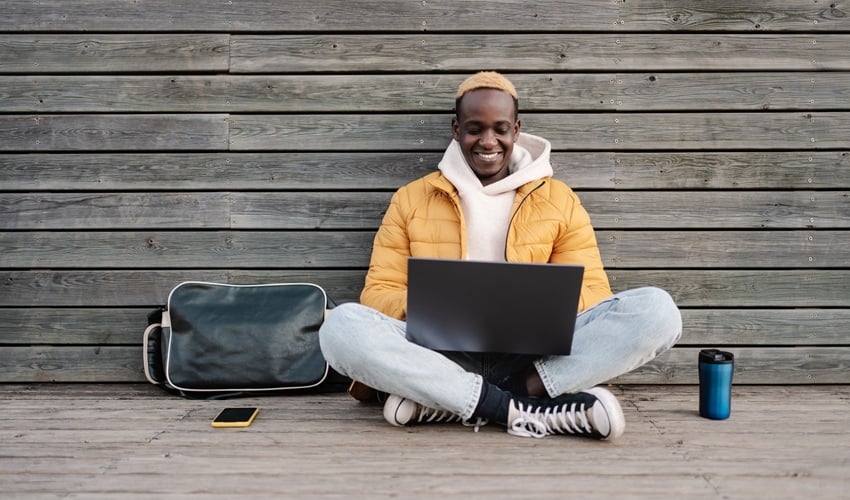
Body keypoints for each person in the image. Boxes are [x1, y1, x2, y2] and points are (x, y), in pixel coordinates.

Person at [319, 71, 682, 440]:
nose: (488, 141)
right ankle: (521, 409)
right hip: (438, 354)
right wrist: (431, 306)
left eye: (500, 129)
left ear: (517, 130)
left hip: (533, 360)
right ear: (456, 129)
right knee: (340, 327)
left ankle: (460, 401)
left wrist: (537, 308)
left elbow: (594, 292)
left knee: (657, 311)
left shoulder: (560, 200)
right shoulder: (411, 199)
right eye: (475, 128)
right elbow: (378, 293)